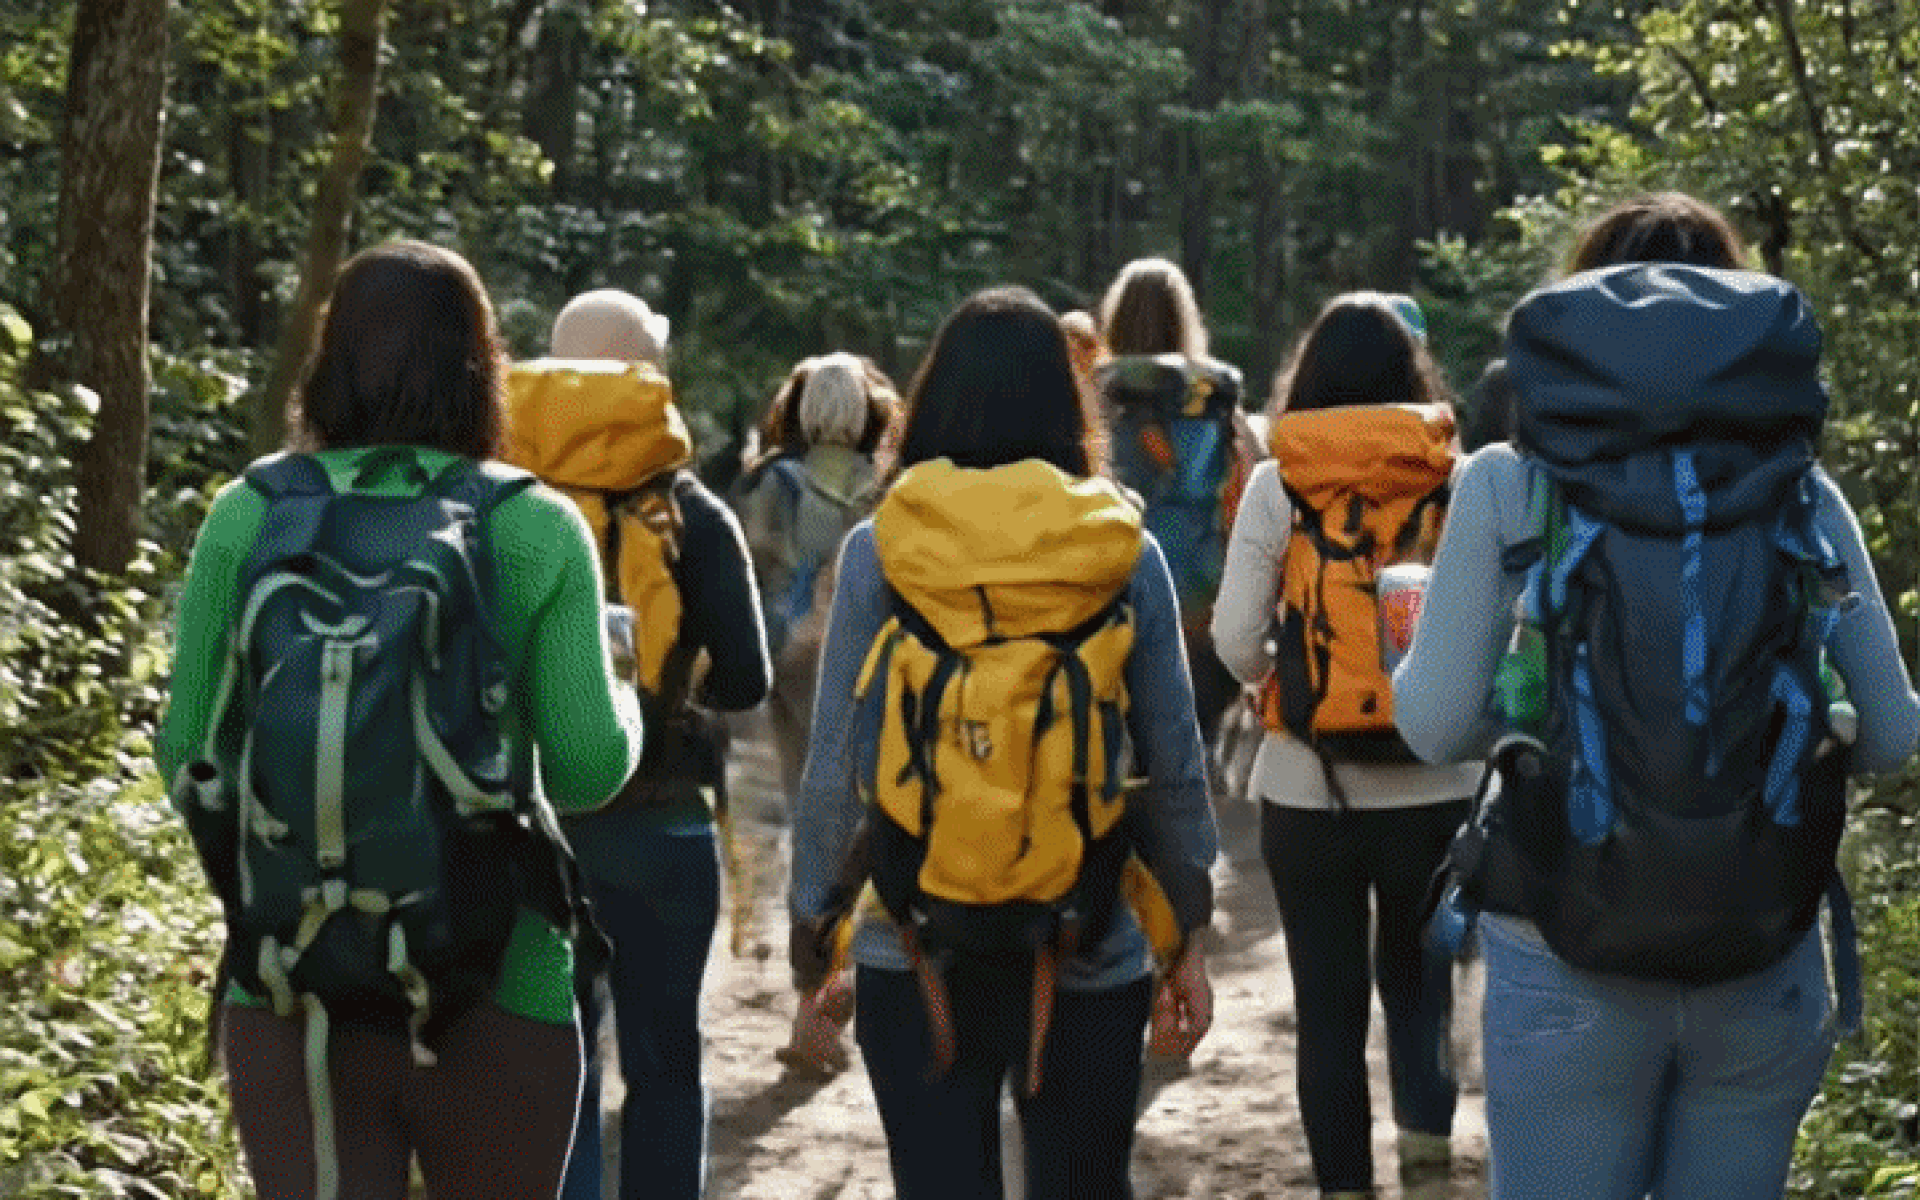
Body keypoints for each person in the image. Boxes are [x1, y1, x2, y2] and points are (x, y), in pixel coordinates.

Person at [1394, 191, 1920, 1200]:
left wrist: (1501, 685)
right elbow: (1892, 734)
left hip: (1563, 945)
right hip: (1760, 943)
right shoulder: (1798, 491)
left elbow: (1431, 725)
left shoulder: (1509, 483)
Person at [157, 240, 645, 1200]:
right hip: (498, 984)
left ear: (328, 359)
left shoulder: (248, 514)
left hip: (292, 988)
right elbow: (586, 769)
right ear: (483, 367)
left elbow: (187, 754)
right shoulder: (533, 524)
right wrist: (623, 692)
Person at [788, 286, 1219, 1200]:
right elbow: (1174, 766)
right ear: (1071, 408)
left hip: (912, 939)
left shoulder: (882, 547)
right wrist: (1186, 937)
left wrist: (815, 936)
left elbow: (836, 768)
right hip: (1086, 934)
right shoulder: (1119, 547)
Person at [1209, 292, 1480, 1199]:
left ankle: (1345, 1190)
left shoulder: (1279, 484)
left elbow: (1235, 635)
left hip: (1308, 787)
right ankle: (1429, 1178)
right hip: (1439, 782)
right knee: (1422, 993)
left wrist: (1275, 680)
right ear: (1415, 377)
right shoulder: (1456, 478)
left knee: (1328, 1013)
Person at [505, 288, 773, 1200]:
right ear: (651, 373)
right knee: (666, 1063)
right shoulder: (693, 513)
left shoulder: (504, 504)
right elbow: (747, 680)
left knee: (559, 1064)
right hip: (665, 826)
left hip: (535, 828)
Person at [1095, 257, 1257, 761]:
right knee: (1194, 749)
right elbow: (1251, 481)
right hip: (1201, 596)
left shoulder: (1093, 395)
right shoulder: (1218, 399)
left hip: (1109, 591)